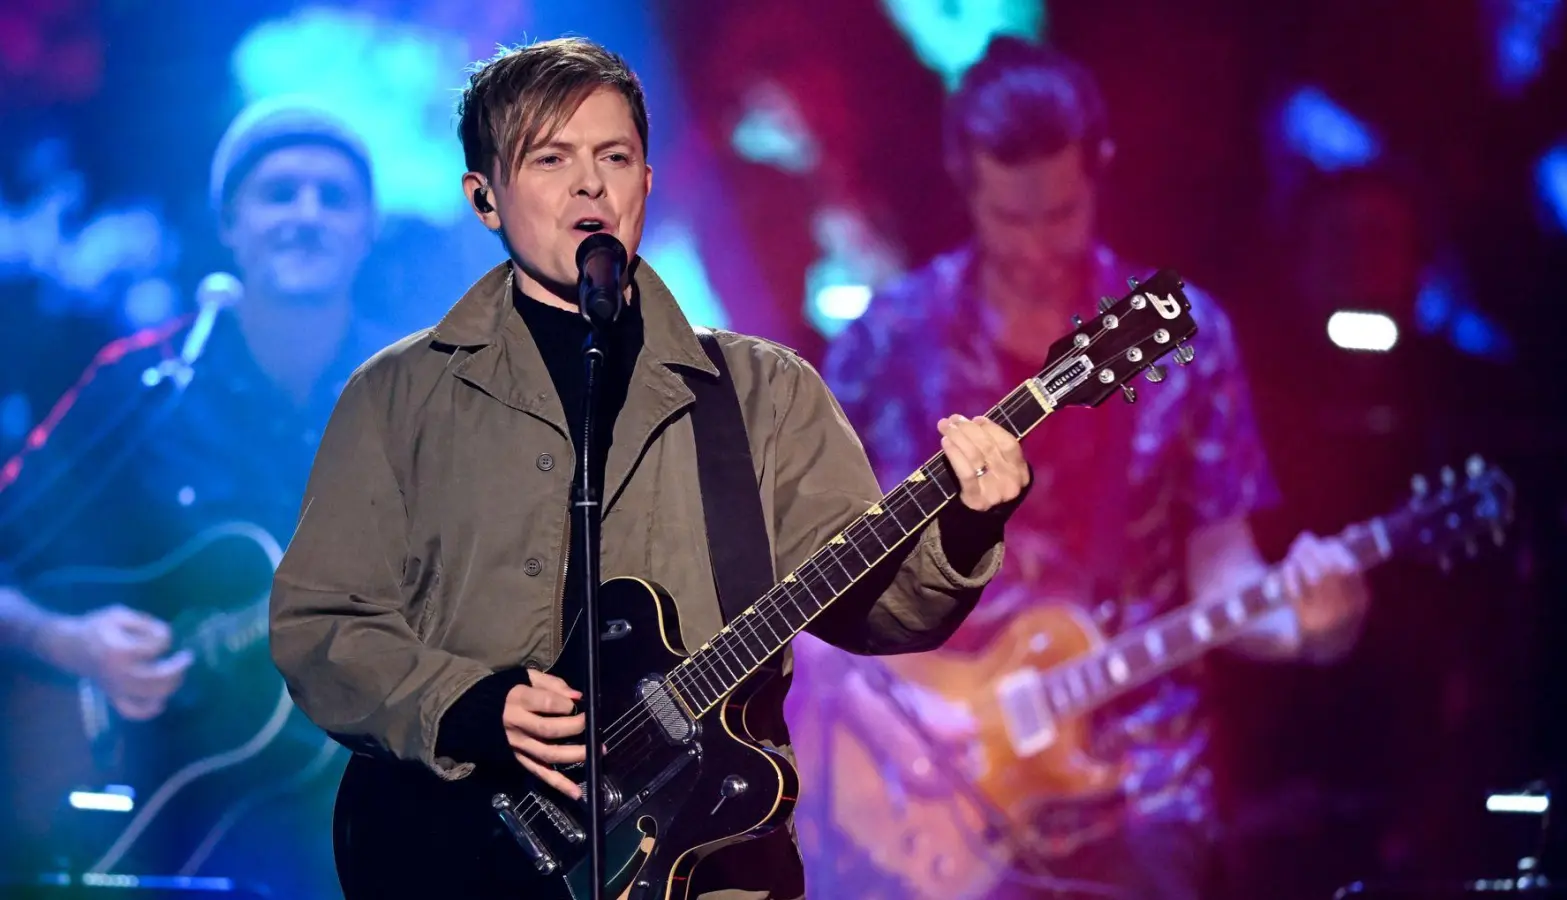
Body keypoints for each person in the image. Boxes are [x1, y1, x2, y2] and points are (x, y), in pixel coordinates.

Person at [265, 36, 1030, 900]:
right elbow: (320, 625)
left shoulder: (763, 392)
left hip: (713, 857)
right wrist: (468, 704)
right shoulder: (399, 395)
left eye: (615, 157)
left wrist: (967, 524)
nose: (590, 184)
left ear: (646, 185)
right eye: (551, 159)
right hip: (463, 853)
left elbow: (877, 606)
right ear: (485, 198)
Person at [790, 36, 1373, 900]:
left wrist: (1309, 627)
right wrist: (893, 713)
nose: (1035, 247)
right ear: (965, 181)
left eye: (1059, 214)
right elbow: (809, 589)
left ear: (1098, 172)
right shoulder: (887, 344)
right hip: (927, 786)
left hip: (1141, 785)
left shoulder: (1184, 339)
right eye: (1009, 218)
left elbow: (1224, 577)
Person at [0, 96, 381, 897]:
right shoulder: (143, 385)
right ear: (230, 225)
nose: (306, 215)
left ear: (366, 231)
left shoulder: (420, 398)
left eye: (333, 196)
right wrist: (71, 642)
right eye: (279, 192)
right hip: (159, 823)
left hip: (355, 821)